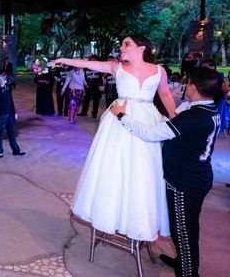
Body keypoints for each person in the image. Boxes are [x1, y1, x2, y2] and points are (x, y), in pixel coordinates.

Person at [109, 67, 222, 277]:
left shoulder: (194, 117)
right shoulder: (206, 109)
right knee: (185, 230)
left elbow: (152, 134)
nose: (184, 86)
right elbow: (172, 121)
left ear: (193, 87)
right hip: (194, 178)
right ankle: (182, 262)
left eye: (187, 83)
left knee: (185, 233)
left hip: (186, 182)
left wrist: (122, 116)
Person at [51, 35, 176, 241]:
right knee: (114, 167)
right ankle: (110, 214)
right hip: (118, 118)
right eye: (122, 45)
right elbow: (86, 63)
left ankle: (138, 220)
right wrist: (63, 60)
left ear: (141, 48)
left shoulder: (159, 71)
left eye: (127, 44)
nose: (122, 48)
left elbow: (165, 94)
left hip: (147, 119)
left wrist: (174, 118)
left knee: (143, 170)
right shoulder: (115, 67)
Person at [0, 70, 25, 158]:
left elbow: (10, 99)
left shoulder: (8, 85)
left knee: (12, 132)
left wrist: (14, 112)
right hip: (0, 113)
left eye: (4, 76)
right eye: (0, 76)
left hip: (9, 111)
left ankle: (16, 151)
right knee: (0, 132)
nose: (3, 78)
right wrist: (1, 86)